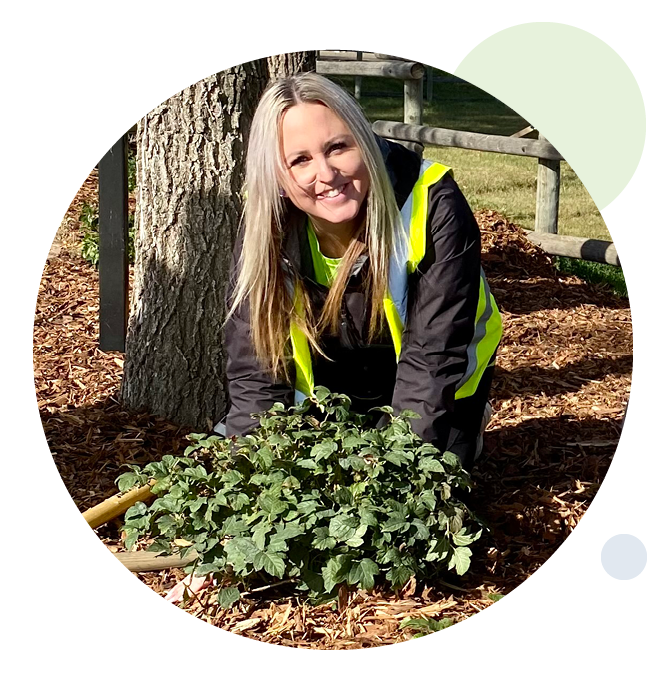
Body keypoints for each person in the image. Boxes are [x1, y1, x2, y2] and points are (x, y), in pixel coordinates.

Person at [166, 72, 502, 603]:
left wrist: (398, 479)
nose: (325, 173)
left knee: (429, 521)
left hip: (438, 381)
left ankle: (466, 432)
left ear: (363, 143)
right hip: (333, 383)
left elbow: (432, 358)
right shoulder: (266, 230)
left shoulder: (432, 202)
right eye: (299, 160)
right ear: (277, 177)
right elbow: (257, 374)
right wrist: (237, 514)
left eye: (338, 147)